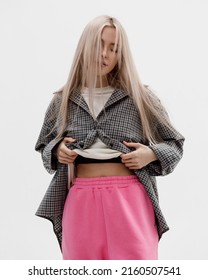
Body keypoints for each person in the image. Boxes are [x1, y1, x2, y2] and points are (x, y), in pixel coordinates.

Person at [35, 15, 185, 260]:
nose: (104, 54)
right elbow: (44, 146)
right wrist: (56, 149)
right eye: (98, 45)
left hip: (131, 199)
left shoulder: (141, 98)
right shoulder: (62, 101)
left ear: (120, 55)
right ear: (84, 47)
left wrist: (150, 154)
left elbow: (175, 145)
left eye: (113, 48)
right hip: (80, 198)